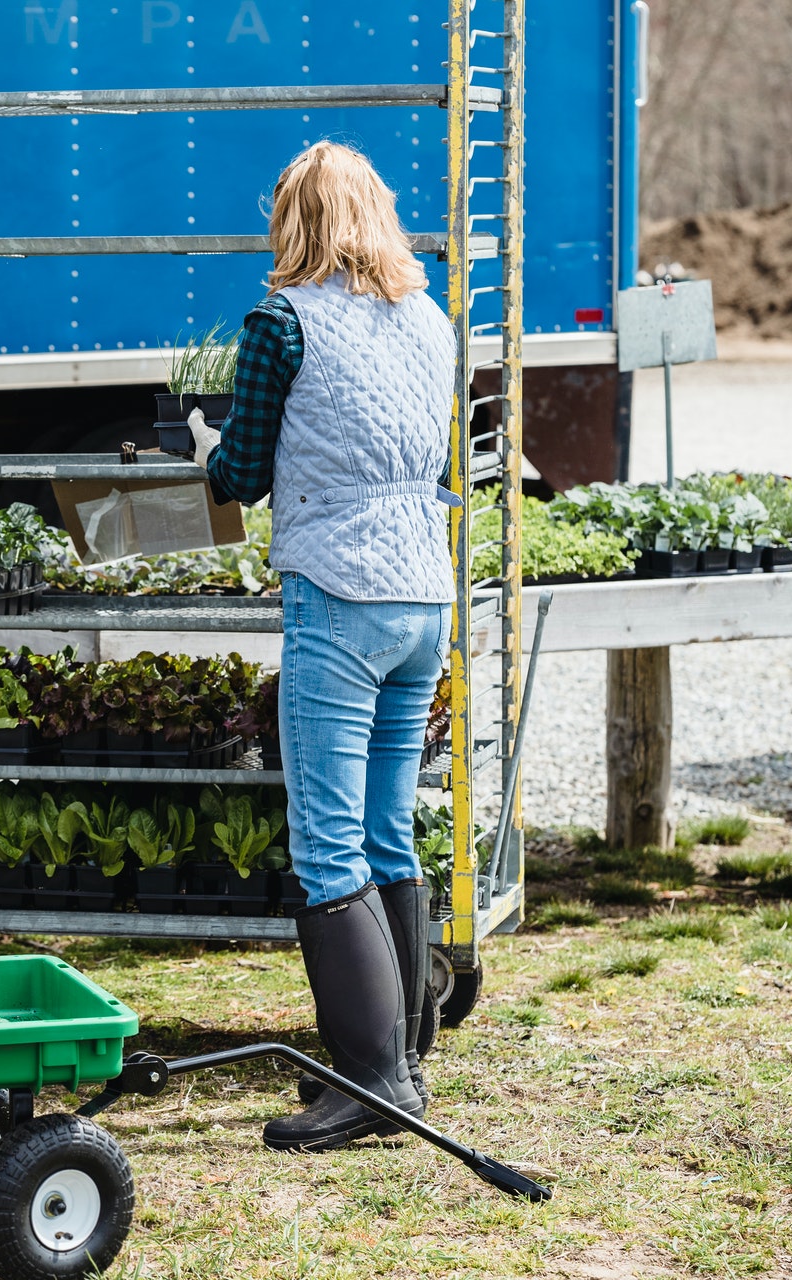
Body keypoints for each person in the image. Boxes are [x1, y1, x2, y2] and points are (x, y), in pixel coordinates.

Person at [189, 141, 457, 1152]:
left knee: (328, 844)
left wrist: (207, 448)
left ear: (293, 222)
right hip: (423, 595)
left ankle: (373, 1084)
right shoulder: (429, 320)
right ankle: (408, 1059)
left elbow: (246, 472)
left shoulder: (281, 322)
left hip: (339, 596)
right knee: (390, 827)